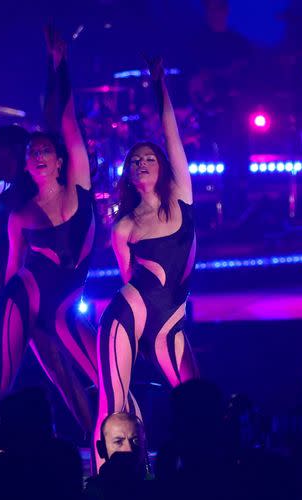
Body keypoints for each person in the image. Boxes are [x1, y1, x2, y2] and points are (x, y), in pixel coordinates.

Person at [0, 27, 103, 426]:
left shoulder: (77, 188)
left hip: (66, 306)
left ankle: (116, 453)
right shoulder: (20, 215)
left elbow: (65, 123)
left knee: (102, 379)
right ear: (28, 167)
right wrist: (1, 322)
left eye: (46, 150)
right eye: (32, 153)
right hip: (24, 299)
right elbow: (14, 269)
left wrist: (59, 64)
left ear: (61, 160)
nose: (38, 155)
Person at [94, 56, 199, 467]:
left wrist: (160, 88)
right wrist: (133, 335)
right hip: (127, 316)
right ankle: (107, 493)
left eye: (148, 159)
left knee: (197, 402)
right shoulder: (123, 226)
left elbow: (172, 138)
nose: (141, 163)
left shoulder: (181, 199)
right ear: (127, 173)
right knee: (113, 406)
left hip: (170, 320)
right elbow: (128, 277)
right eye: (134, 160)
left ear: (163, 168)